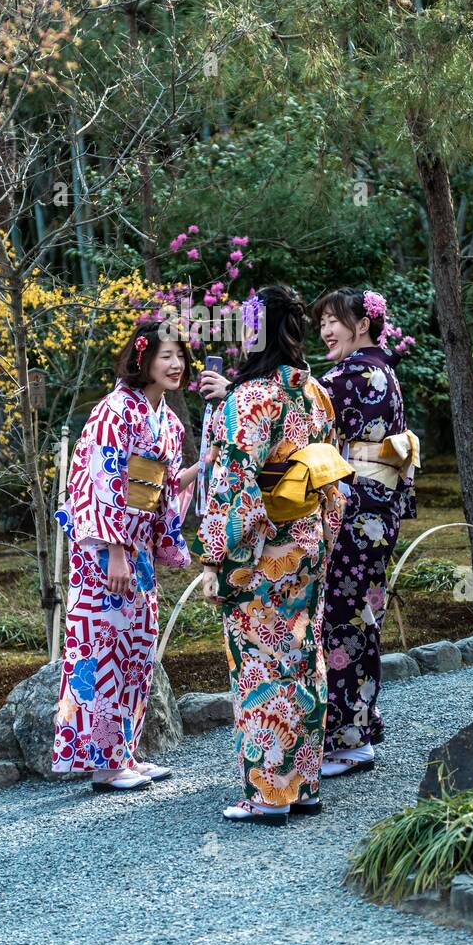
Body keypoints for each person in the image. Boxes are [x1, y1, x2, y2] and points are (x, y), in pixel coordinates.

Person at [198, 286, 349, 826]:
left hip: (260, 551)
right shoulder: (316, 395)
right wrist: (323, 541)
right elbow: (332, 476)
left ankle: (269, 793)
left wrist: (216, 553)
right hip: (306, 541)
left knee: (261, 663)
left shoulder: (249, 399)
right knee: (302, 654)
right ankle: (303, 783)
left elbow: (233, 486)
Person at [52, 320, 193, 792]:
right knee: (101, 648)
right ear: (143, 359)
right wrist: (115, 549)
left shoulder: (166, 418)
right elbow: (105, 478)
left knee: (137, 646)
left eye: (180, 356)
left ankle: (125, 752)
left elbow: (163, 487)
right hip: (105, 549)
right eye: (166, 355)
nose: (176, 365)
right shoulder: (116, 410)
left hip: (138, 547)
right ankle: (103, 761)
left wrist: (206, 465)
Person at [312, 288, 418, 777]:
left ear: (362, 324)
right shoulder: (384, 372)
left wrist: (240, 393)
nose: (325, 330)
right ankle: (360, 724)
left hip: (358, 510)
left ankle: (348, 739)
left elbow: (295, 410)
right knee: (359, 614)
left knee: (341, 615)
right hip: (378, 508)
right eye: (321, 323)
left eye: (333, 320)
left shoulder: (353, 375)